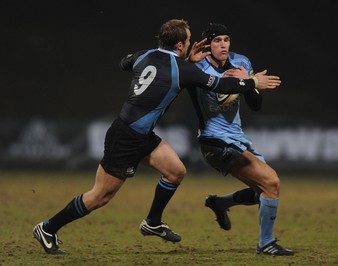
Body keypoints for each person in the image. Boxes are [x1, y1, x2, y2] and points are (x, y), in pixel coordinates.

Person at [32, 18, 279, 255]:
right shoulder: (183, 69)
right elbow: (223, 86)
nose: (193, 45)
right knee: (100, 196)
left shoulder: (146, 55)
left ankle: (152, 221)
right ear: (180, 45)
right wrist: (253, 81)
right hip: (126, 137)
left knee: (175, 171)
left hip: (142, 134)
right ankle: (48, 228)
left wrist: (183, 61)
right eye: (189, 41)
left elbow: (124, 62)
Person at [187, 23, 294, 256]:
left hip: (237, 139)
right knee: (271, 183)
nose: (223, 44)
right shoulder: (197, 67)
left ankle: (220, 203)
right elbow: (218, 86)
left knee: (262, 192)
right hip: (214, 141)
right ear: (207, 45)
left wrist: (249, 83)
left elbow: (255, 106)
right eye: (217, 41)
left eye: (226, 39)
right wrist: (249, 82)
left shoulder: (241, 62)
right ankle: (266, 243)